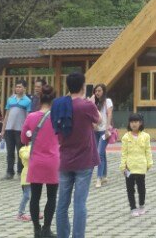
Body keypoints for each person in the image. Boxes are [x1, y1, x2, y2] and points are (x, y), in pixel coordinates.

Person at [55, 71, 100, 238]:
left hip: (65, 159)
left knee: (62, 204)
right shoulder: (87, 105)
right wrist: (92, 103)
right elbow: (99, 121)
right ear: (83, 86)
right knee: (79, 203)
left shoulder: (59, 105)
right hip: (84, 159)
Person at [22, 84, 59, 238]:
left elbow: (24, 138)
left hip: (36, 161)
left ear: (40, 98)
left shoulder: (31, 117)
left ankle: (37, 229)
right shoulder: (57, 117)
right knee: (51, 197)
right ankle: (47, 229)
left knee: (35, 197)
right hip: (53, 161)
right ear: (53, 99)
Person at [120, 113, 153, 216]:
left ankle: (142, 206)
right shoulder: (126, 137)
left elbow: (148, 151)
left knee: (141, 188)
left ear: (140, 123)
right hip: (129, 168)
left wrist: (149, 163)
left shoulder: (146, 136)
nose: (134, 124)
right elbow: (124, 153)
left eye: (136, 122)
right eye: (132, 122)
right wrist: (123, 166)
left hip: (141, 167)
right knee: (130, 189)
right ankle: (133, 208)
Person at [3, 80, 32, 180]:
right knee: (9, 151)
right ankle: (9, 172)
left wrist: (27, 131)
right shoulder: (10, 99)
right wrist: (3, 129)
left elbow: (28, 117)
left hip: (20, 130)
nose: (18, 89)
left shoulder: (28, 101)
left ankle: (21, 172)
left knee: (21, 152)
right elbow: (6, 115)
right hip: (9, 129)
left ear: (24, 88)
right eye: (16, 87)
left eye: (20, 87)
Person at [92, 83, 113, 188]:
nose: (97, 93)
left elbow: (109, 114)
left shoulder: (107, 101)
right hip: (95, 131)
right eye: (96, 91)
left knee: (99, 153)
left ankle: (99, 178)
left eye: (99, 91)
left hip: (104, 131)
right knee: (101, 152)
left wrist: (107, 128)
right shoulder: (94, 102)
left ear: (103, 91)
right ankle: (104, 175)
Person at [16, 141, 32, 223]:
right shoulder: (22, 149)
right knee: (27, 195)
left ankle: (34, 212)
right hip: (26, 175)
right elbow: (27, 156)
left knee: (35, 196)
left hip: (35, 174)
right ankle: (20, 213)